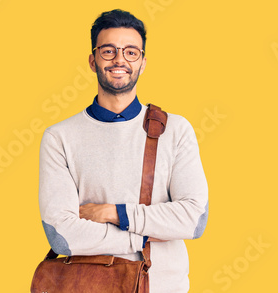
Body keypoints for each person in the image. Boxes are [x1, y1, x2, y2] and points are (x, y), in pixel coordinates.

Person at [38, 9, 209, 292]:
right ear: (93, 61)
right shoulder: (59, 137)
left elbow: (193, 220)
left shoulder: (175, 129)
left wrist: (113, 213)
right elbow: (62, 235)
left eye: (131, 52)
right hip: (89, 287)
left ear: (142, 63)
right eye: (109, 51)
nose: (120, 60)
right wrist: (142, 237)